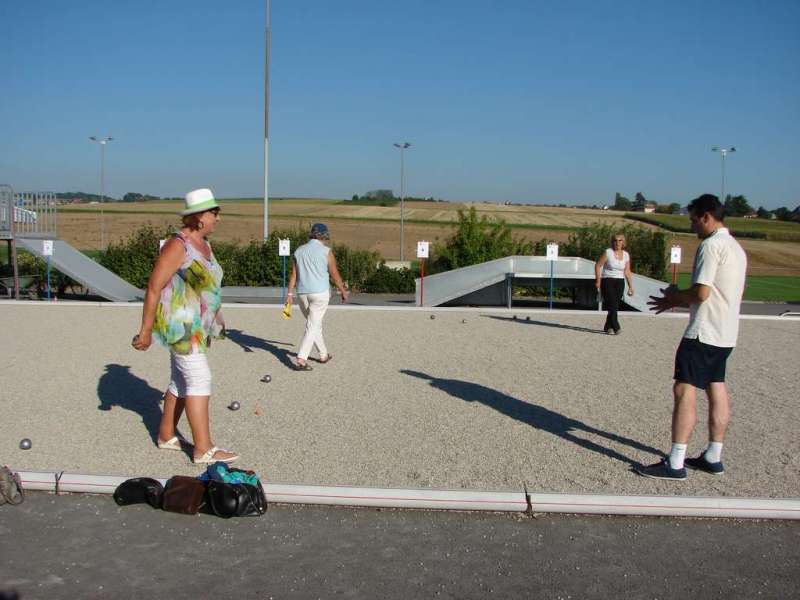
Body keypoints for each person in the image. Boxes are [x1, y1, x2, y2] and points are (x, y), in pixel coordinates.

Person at [637, 194, 746, 480]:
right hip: (726, 333)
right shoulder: (736, 247)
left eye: (694, 219)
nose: (692, 225)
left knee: (684, 389)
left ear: (707, 216)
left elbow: (702, 292)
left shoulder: (711, 246)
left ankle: (675, 462)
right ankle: (713, 455)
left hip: (703, 331)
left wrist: (673, 298)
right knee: (716, 387)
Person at [132, 188, 238, 464]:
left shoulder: (204, 244)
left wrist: (215, 321)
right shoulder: (177, 245)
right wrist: (145, 330)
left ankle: (166, 435)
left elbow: (206, 284)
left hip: (197, 325)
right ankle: (204, 449)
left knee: (181, 381)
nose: (217, 218)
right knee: (199, 379)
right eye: (214, 213)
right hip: (180, 326)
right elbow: (154, 287)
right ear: (200, 216)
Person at [285, 223, 349, 371]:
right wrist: (343, 291)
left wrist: (289, 294)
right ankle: (301, 358)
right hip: (320, 293)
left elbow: (293, 275)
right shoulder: (326, 251)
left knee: (314, 324)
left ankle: (323, 354)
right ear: (324, 235)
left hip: (302, 294)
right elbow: (334, 274)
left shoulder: (299, 251)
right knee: (312, 325)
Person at [594, 233, 634, 334]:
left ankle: (608, 326)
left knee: (615, 305)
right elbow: (598, 266)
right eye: (615, 240)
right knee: (612, 303)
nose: (617, 243)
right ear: (612, 242)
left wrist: (631, 286)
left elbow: (627, 271)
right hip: (608, 280)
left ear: (623, 242)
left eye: (620, 240)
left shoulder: (626, 255)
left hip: (620, 281)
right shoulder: (608, 252)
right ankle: (616, 326)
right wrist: (598, 280)